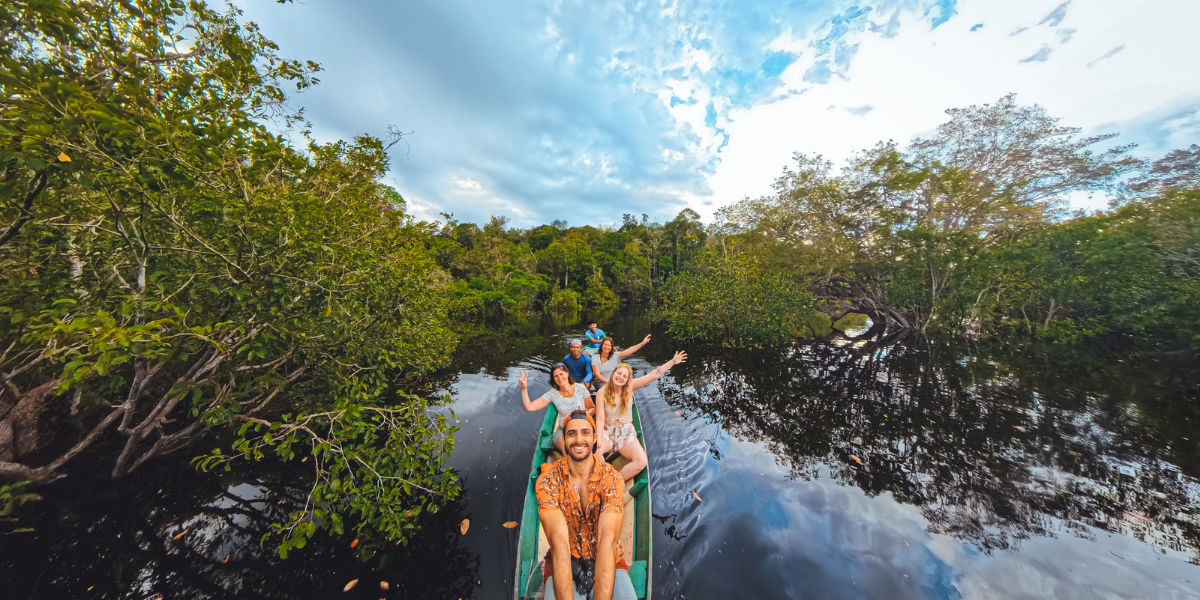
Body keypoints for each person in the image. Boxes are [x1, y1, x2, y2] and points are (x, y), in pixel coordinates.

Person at [536, 410, 637, 600]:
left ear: (595, 438)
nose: (579, 439)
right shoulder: (547, 480)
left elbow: (608, 539)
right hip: (564, 559)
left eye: (585, 432)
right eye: (571, 434)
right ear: (563, 440)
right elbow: (558, 542)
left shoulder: (612, 479)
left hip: (606, 558)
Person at [596, 351, 687, 484]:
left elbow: (654, 374)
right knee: (596, 453)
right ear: (613, 373)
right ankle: (603, 478)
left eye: (624, 376)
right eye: (619, 373)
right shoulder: (601, 392)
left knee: (641, 461)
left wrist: (672, 362)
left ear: (627, 379)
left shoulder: (630, 387)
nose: (620, 377)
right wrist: (598, 440)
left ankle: (613, 482)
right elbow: (599, 419)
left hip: (625, 431)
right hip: (607, 430)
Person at [519, 365, 605, 455]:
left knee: (589, 450)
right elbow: (529, 407)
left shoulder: (581, 388)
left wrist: (578, 416)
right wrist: (524, 388)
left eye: (561, 374)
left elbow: (592, 408)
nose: (559, 378)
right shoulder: (552, 394)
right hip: (563, 430)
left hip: (582, 427)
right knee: (569, 452)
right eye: (556, 376)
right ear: (553, 379)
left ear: (567, 374)